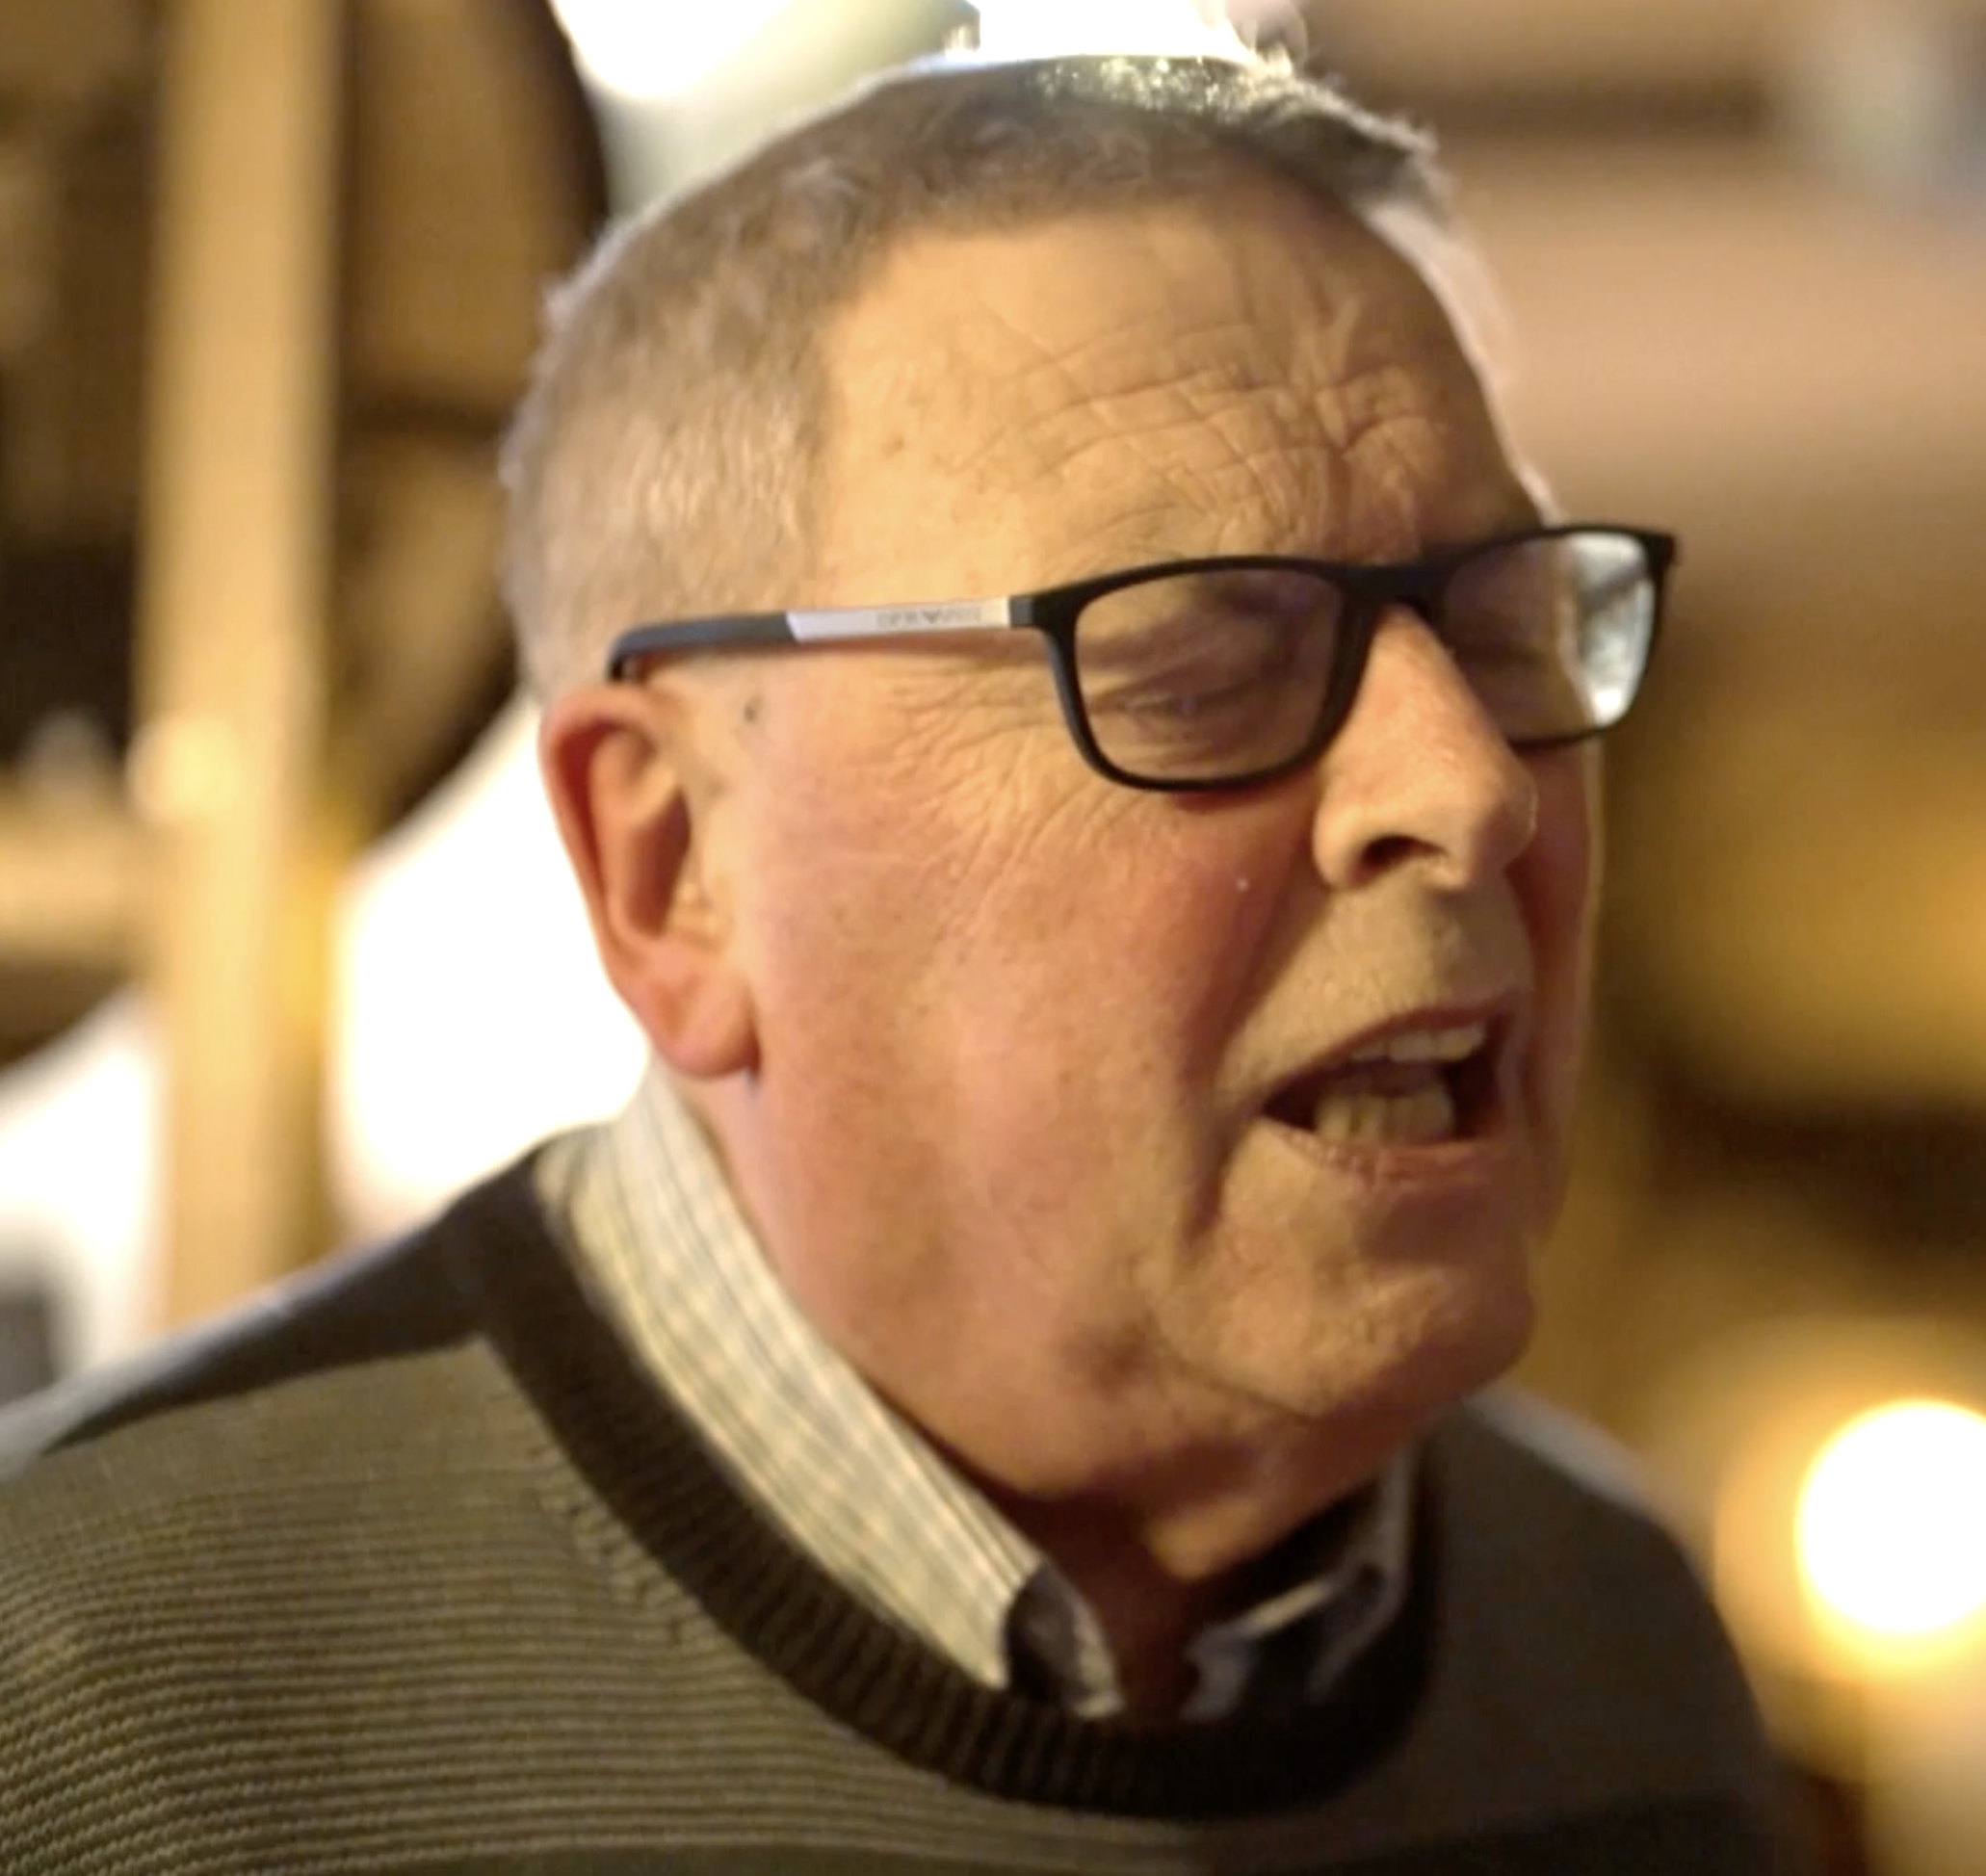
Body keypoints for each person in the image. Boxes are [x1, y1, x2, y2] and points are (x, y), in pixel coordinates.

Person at [0, 45, 1797, 1873]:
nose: (1472, 788)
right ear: (675, 864)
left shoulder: (1611, 1653)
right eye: (1194, 665)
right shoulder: (87, 1712)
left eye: (1500, 625)